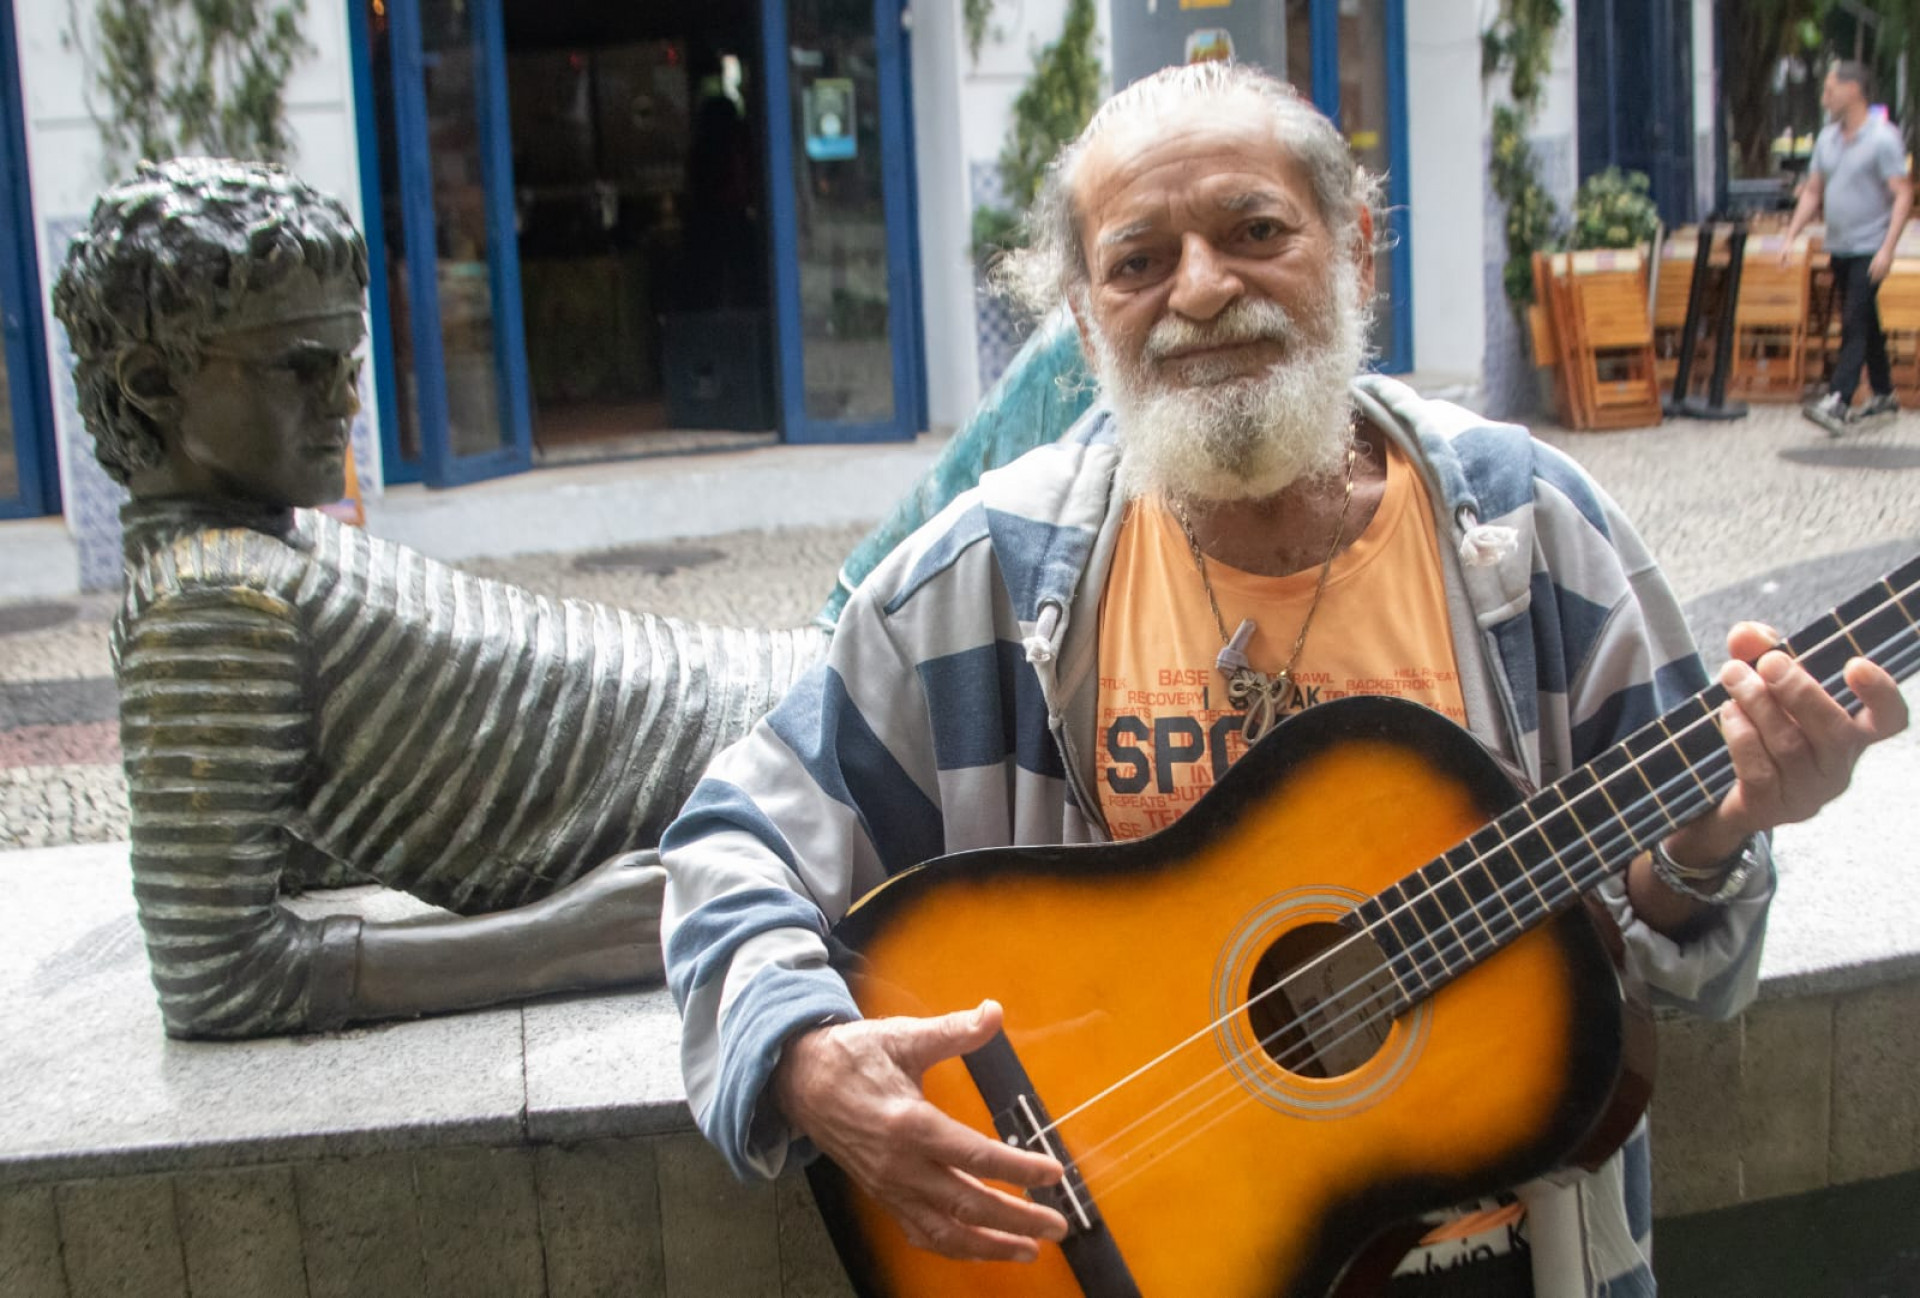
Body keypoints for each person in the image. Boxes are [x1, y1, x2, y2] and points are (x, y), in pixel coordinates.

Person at [661, 64, 1907, 1296]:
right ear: (1089, 320)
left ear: (1355, 247)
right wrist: (808, 1057)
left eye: (1255, 231)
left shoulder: (1530, 534)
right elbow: (730, 841)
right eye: (1138, 261)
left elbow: (1684, 965)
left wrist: (1707, 845)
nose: (1201, 291)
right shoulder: (983, 579)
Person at [54, 158, 825, 1039]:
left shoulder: (258, 546)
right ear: (152, 384)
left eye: (347, 365)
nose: (346, 402)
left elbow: (301, 817)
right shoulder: (207, 600)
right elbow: (217, 977)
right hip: (759, 754)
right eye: (301, 370)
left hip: (751, 712)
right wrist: (557, 939)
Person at [1785, 60, 1914, 436]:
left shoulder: (1882, 138)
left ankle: (1839, 399)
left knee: (1854, 321)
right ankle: (1884, 394)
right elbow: (1813, 191)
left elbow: (1903, 193)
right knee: (1866, 320)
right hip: (1839, 245)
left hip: (1870, 247)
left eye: (1830, 89)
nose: (1824, 96)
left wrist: (1888, 249)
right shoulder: (1826, 139)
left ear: (1852, 90)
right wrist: (1791, 234)